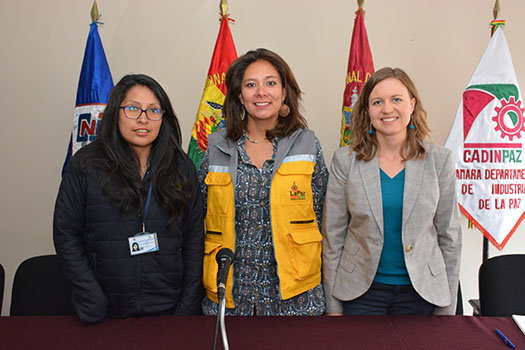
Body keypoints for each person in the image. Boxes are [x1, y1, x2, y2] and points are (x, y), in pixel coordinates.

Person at [53, 74, 204, 323]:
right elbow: (66, 233)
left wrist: (187, 304)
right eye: (133, 108)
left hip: (170, 312)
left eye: (153, 110)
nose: (143, 119)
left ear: (163, 117)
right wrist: (92, 298)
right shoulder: (87, 164)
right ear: (116, 112)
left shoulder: (181, 166)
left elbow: (194, 238)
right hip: (105, 311)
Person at [322, 67, 462, 316]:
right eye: (377, 102)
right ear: (367, 111)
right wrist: (333, 307)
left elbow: (450, 239)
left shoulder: (439, 161)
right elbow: (333, 239)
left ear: (412, 104)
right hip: (360, 293)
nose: (387, 109)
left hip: (422, 293)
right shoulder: (345, 161)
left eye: (396, 99)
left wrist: (447, 309)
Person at [199, 48, 328, 316]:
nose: (261, 92)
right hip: (232, 296)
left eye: (270, 83)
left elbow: (322, 214)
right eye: (250, 84)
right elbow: (199, 217)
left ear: (284, 93)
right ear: (239, 96)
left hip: (296, 297)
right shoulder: (215, 148)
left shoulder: (307, 144)